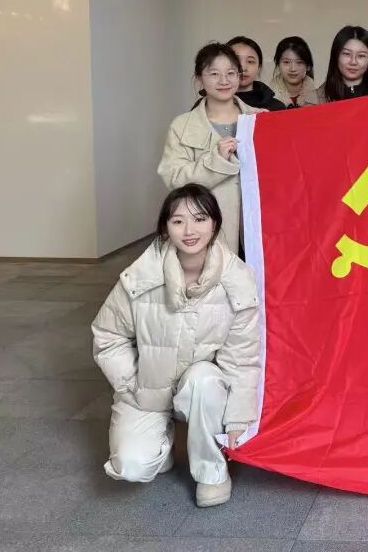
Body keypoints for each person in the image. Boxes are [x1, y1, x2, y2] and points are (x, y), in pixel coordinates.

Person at [92, 184, 261, 508]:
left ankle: (212, 471)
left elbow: (241, 358)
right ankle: (162, 440)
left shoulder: (237, 280)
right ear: (165, 227)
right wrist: (132, 383)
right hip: (147, 389)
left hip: (201, 388)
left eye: (199, 219)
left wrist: (238, 417)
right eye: (178, 221)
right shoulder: (140, 277)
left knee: (204, 380)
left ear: (215, 224)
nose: (189, 230)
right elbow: (107, 335)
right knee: (132, 466)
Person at [158, 42, 260, 256]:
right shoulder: (182, 126)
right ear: (199, 78)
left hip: (259, 230)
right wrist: (216, 161)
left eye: (231, 73)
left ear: (239, 76)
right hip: (209, 233)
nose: (224, 81)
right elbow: (174, 179)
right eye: (214, 74)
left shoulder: (261, 119)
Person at [318, 25, 368, 102]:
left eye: (361, 56)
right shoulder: (316, 99)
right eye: (346, 54)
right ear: (336, 56)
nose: (353, 62)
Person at [225, 36, 286, 111]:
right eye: (236, 60)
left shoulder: (276, 107)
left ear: (259, 68)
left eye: (250, 61)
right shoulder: (214, 104)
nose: (243, 68)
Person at [270, 36, 320, 108]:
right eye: (286, 62)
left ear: (308, 66)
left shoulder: (320, 96)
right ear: (278, 64)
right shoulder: (267, 98)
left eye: (299, 62)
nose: (293, 69)